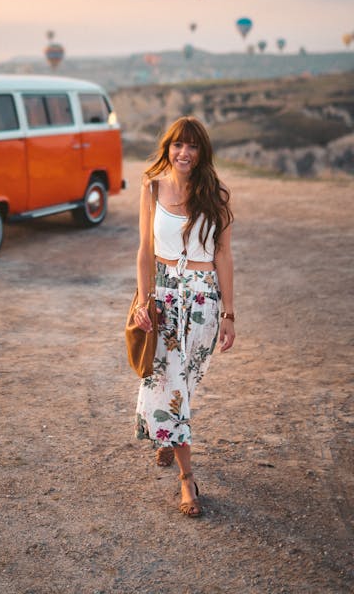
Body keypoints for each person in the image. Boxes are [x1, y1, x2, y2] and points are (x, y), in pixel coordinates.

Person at [133, 116, 235, 518]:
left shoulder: (218, 194)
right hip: (163, 297)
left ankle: (166, 434)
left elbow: (223, 255)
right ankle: (187, 479)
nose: (184, 152)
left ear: (202, 152)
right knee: (170, 384)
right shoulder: (151, 186)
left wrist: (229, 313)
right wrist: (143, 301)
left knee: (185, 383)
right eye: (178, 144)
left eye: (192, 146)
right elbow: (145, 249)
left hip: (203, 300)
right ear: (168, 148)